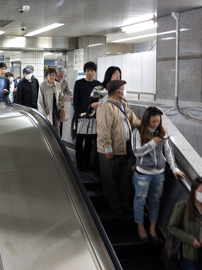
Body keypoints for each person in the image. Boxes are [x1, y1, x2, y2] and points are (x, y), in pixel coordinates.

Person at [133, 107, 185, 241]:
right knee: (140, 200)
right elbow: (136, 152)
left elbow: (168, 152)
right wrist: (152, 143)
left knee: (155, 201)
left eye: (158, 121)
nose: (155, 124)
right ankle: (140, 227)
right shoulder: (137, 132)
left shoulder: (162, 132)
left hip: (159, 173)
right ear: (146, 120)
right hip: (143, 173)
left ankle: (152, 228)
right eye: (153, 121)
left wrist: (174, 168)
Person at [96, 80, 140, 214]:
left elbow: (134, 120)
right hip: (110, 149)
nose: (124, 91)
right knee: (111, 179)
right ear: (117, 91)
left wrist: (150, 125)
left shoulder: (123, 104)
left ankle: (125, 204)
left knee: (125, 179)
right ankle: (115, 206)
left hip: (125, 147)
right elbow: (104, 128)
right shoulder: (106, 106)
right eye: (123, 89)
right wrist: (107, 147)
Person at [168, 177, 202, 270]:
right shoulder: (182, 207)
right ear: (195, 191)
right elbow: (172, 227)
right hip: (189, 255)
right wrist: (191, 240)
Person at [73, 62, 101, 171]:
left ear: (95, 72)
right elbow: (75, 100)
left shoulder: (98, 84)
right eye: (88, 70)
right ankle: (79, 162)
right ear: (84, 71)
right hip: (81, 115)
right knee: (79, 140)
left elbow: (99, 99)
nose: (90, 73)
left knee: (89, 141)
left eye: (92, 71)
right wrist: (78, 114)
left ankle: (87, 162)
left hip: (93, 116)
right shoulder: (79, 83)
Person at [38, 67, 65, 134]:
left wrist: (62, 106)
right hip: (47, 111)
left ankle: (56, 143)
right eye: (50, 75)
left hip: (56, 111)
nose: (52, 77)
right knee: (48, 130)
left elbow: (61, 97)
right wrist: (42, 112)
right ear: (46, 75)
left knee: (57, 129)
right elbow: (40, 100)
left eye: (53, 75)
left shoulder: (58, 85)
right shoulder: (43, 85)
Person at [55, 66, 72, 137]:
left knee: (60, 125)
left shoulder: (65, 81)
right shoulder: (49, 81)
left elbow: (69, 93)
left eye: (62, 76)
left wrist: (66, 98)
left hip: (60, 107)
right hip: (50, 106)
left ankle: (59, 140)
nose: (60, 78)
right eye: (59, 76)